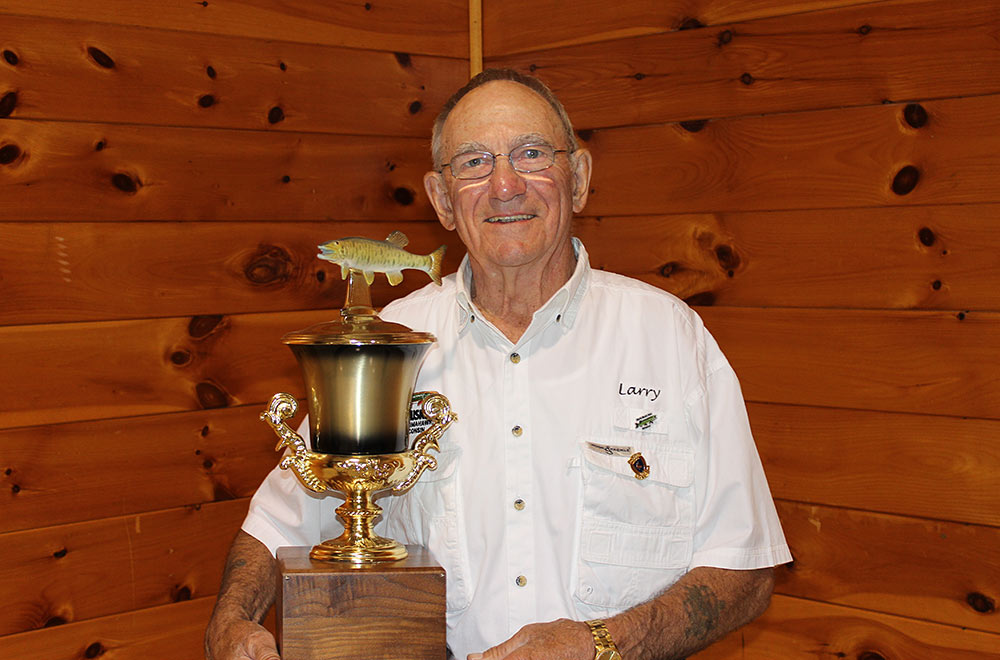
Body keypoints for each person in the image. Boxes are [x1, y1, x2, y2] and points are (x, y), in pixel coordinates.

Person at [205, 68, 791, 660]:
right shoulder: (386, 346)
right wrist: (230, 622)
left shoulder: (671, 338)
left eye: (531, 154)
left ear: (580, 179)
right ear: (442, 200)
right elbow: (278, 524)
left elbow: (744, 569)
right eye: (474, 162)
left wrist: (600, 645)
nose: (505, 185)